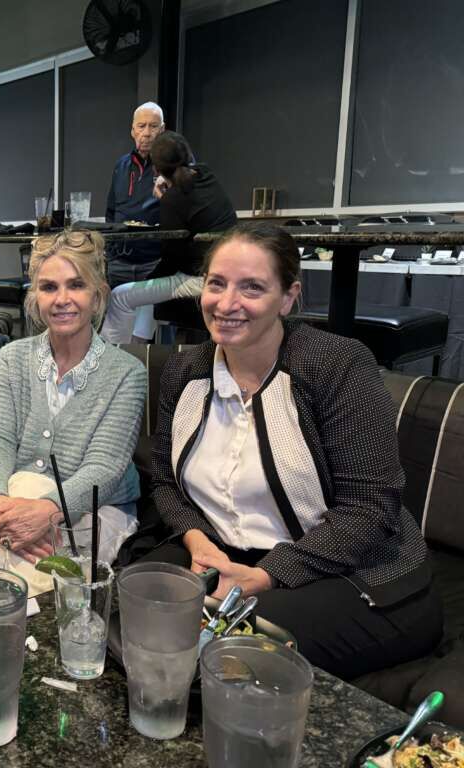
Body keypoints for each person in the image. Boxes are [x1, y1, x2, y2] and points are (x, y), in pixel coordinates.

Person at [146, 221, 442, 680]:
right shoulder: (186, 370)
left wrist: (269, 574)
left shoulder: (337, 366)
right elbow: (165, 481)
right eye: (217, 284)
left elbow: (370, 510)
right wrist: (194, 537)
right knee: (135, 618)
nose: (226, 303)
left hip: (351, 573)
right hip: (228, 555)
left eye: (252, 287)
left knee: (225, 661)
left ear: (288, 297)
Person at [0, 230, 147, 565]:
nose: (62, 299)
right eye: (49, 287)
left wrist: (49, 510)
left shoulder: (128, 372)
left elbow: (104, 468)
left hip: (100, 507)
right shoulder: (11, 358)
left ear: (98, 296)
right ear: (35, 297)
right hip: (19, 494)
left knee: (25, 566)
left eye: (76, 285)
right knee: (19, 560)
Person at [101, 131, 237, 344]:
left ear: (156, 169)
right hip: (227, 270)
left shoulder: (172, 199)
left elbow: (171, 259)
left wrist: (148, 279)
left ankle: (112, 357)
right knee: (147, 296)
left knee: (120, 296)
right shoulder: (207, 175)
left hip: (199, 278)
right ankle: (138, 348)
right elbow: (188, 195)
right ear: (188, 155)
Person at [104, 102, 166, 289]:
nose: (146, 133)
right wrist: (110, 252)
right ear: (133, 131)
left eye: (153, 126)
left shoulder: (172, 163)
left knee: (151, 309)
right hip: (118, 262)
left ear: (162, 129)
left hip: (155, 261)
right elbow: (111, 211)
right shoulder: (121, 165)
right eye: (141, 126)